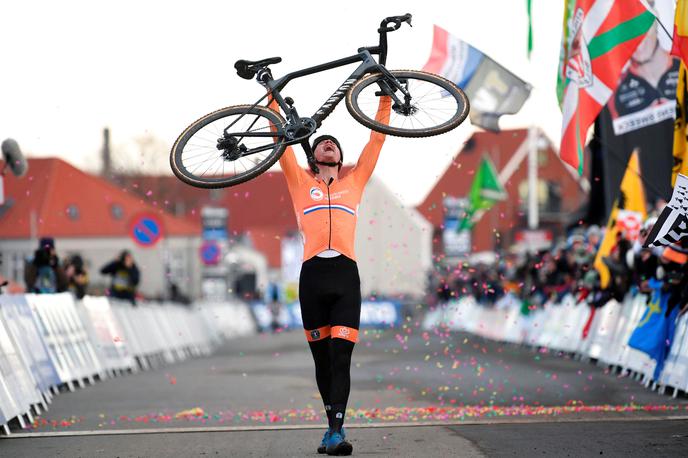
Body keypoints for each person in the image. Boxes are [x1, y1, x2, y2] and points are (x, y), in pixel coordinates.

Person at [269, 94, 390, 456]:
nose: (328, 144)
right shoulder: (297, 180)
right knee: (322, 360)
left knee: (341, 357)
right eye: (323, 142)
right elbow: (279, 140)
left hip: (345, 276)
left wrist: (384, 95)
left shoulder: (354, 182)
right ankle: (330, 427)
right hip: (312, 277)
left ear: (340, 158)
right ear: (313, 157)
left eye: (334, 144)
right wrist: (272, 98)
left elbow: (377, 138)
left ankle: (336, 432)